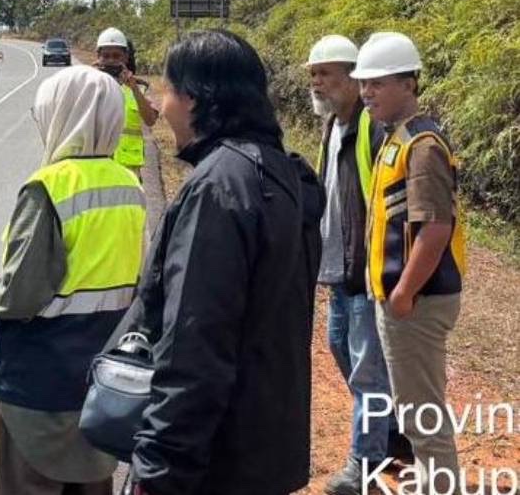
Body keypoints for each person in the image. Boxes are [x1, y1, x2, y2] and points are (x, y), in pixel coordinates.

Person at [118, 30, 324, 495]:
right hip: (267, 444)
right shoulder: (282, 171)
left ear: (195, 98)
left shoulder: (218, 188)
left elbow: (194, 341)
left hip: (214, 460)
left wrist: (158, 469)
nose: (164, 106)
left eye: (168, 90)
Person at [0, 65, 146, 495]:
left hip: (34, 387)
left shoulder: (47, 189)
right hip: (99, 386)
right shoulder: (131, 187)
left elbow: (20, 296)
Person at [354, 32, 466, 494]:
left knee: (422, 414)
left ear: (409, 83)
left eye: (377, 83)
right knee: (415, 408)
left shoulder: (421, 145)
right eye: (364, 84)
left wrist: (402, 295)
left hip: (417, 302)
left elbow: (435, 227)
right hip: (407, 300)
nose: (366, 93)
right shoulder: (396, 139)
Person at [306, 35, 409, 495]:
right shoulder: (333, 126)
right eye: (313, 75)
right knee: (342, 350)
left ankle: (363, 464)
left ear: (353, 77)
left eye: (324, 74)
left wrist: (385, 271)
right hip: (338, 270)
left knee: (366, 367)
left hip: (366, 272)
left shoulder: (372, 128)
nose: (316, 83)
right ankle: (388, 434)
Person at [94, 28, 158, 176]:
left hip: (127, 169)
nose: (111, 61)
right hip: (96, 165)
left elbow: (150, 120)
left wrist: (133, 88)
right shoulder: (89, 84)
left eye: (116, 56)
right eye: (106, 56)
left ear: (126, 57)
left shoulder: (140, 88)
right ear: (98, 57)